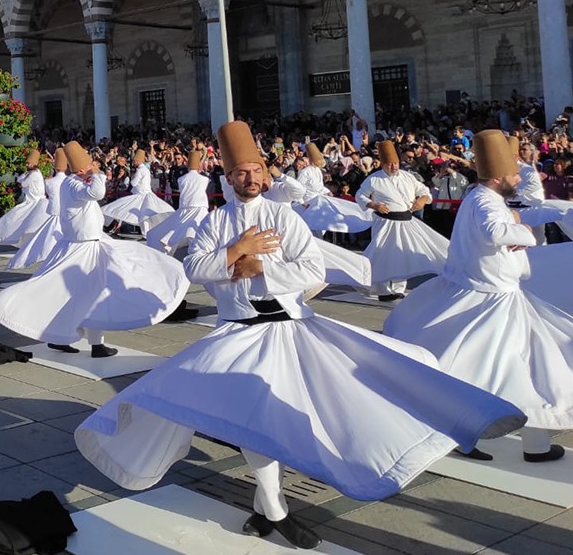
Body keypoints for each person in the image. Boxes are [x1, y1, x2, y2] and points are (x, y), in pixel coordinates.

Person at [75, 121, 524, 550]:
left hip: (291, 327)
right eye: (239, 172)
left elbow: (311, 268)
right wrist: (237, 252)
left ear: (265, 174)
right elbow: (194, 267)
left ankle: (266, 504)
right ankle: (273, 507)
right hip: (237, 332)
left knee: (293, 414)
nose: (248, 177)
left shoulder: (284, 217)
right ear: (227, 177)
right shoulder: (215, 221)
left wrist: (260, 268)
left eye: (254, 170)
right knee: (250, 417)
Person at [385, 130, 573, 463]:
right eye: (514, 173)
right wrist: (523, 234)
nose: (519, 177)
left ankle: (534, 445)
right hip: (493, 300)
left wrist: (519, 224)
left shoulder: (483, 197)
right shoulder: (485, 201)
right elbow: (495, 231)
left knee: (530, 369)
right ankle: (467, 434)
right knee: (510, 370)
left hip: (500, 296)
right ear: (500, 177)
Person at [0, 141, 189, 357]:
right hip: (83, 248)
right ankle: (83, 340)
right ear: (81, 169)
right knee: (87, 292)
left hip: (89, 244)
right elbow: (97, 192)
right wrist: (97, 172)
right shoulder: (73, 185)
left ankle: (82, 340)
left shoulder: (72, 184)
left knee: (92, 292)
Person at [355, 140, 448, 300]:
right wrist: (374, 204)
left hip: (405, 220)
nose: (394, 167)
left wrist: (422, 200)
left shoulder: (407, 176)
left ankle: (398, 288)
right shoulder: (374, 179)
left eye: (396, 163)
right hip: (385, 221)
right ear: (383, 164)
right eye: (390, 164)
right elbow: (360, 195)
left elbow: (424, 190)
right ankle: (382, 290)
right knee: (382, 253)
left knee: (402, 253)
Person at [293, 142, 373, 234]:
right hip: (307, 204)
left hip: (317, 202)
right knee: (309, 229)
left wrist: (328, 191)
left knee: (320, 227)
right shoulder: (305, 172)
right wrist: (302, 202)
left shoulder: (318, 171)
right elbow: (297, 188)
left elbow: (319, 187)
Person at [145, 149, 210, 255]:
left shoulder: (183, 179)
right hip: (198, 207)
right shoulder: (203, 179)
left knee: (181, 228)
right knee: (198, 228)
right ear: (199, 166)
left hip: (188, 206)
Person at [0, 149, 50, 247]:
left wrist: (24, 178)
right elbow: (20, 180)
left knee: (19, 219)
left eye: (28, 163)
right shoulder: (33, 173)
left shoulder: (35, 175)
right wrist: (25, 175)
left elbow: (23, 183)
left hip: (33, 202)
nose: (27, 165)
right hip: (31, 200)